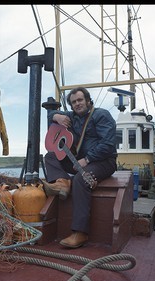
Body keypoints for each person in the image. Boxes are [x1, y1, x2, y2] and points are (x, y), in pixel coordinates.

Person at [43, 87, 117, 248]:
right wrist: (56, 116)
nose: (77, 104)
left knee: (80, 179)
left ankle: (80, 233)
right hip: (80, 160)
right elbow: (49, 116)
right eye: (74, 102)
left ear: (88, 100)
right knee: (50, 156)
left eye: (80, 100)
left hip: (104, 161)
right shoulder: (72, 117)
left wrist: (88, 159)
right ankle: (63, 183)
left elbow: (109, 144)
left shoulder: (101, 115)